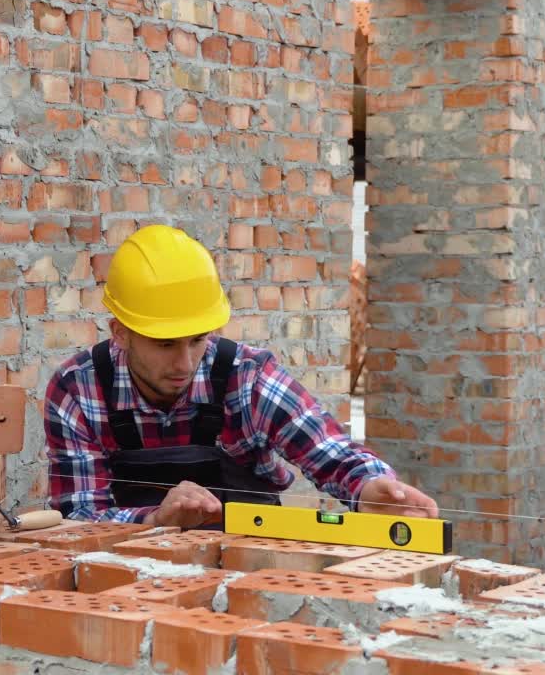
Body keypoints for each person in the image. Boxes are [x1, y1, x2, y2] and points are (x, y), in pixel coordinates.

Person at [44, 223, 440, 529]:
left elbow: (327, 449)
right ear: (121, 334)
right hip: (130, 580)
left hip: (251, 565)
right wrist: (153, 521)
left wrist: (368, 487)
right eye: (165, 344)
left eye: (197, 340)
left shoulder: (246, 378)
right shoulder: (78, 390)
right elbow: (78, 517)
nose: (184, 363)